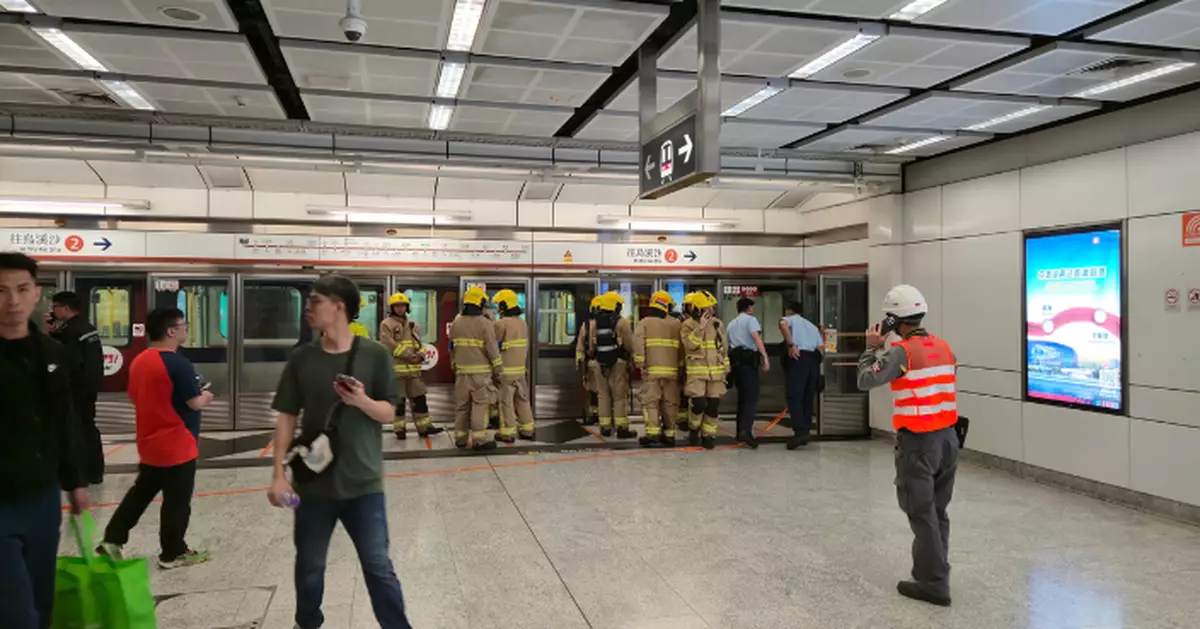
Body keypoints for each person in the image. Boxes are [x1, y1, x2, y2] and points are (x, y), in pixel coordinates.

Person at [267, 274, 412, 629]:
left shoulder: (375, 355)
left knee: (379, 568)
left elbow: (389, 412)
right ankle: (308, 622)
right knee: (310, 567)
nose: (308, 308)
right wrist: (278, 475)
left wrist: (361, 400)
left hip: (364, 484)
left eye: (316, 301)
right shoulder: (303, 359)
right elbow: (287, 415)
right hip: (314, 486)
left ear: (339, 307)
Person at [0, 252, 91, 629]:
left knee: (42, 598)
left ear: (37, 293)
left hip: (42, 497)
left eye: (22, 289)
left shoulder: (53, 354)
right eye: (1, 291)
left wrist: (76, 482)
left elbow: (65, 422)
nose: (13, 301)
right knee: (16, 611)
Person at [856, 284, 959, 608]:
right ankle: (938, 566)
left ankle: (933, 582)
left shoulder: (902, 352)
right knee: (937, 510)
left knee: (919, 510)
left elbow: (865, 379)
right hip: (948, 440)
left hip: (919, 443)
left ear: (894, 320)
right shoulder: (944, 347)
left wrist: (873, 347)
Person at [99, 306, 213, 569]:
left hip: (149, 443)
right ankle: (173, 553)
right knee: (177, 501)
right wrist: (207, 396)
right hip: (177, 443)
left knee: (140, 494)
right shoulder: (178, 363)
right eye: (183, 325)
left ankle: (112, 539)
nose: (185, 330)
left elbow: (135, 396)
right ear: (171, 330)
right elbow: (194, 402)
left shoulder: (139, 360)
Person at [47, 291, 104, 484]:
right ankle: (95, 471)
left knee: (76, 429)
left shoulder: (70, 331)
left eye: (55, 307)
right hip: (90, 386)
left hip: (76, 388)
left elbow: (68, 361)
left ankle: (82, 474)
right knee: (88, 427)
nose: (53, 311)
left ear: (64, 308)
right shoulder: (86, 327)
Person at [379, 292, 442, 440]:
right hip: (397, 371)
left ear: (407, 307)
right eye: (397, 306)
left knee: (420, 399)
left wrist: (421, 354)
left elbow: (418, 343)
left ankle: (425, 427)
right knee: (399, 402)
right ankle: (399, 429)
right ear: (392, 308)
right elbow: (388, 344)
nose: (400, 309)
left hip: (414, 371)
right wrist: (409, 355)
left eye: (403, 306)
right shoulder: (386, 324)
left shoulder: (413, 324)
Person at [449, 286, 501, 451]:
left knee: (462, 406)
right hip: (480, 374)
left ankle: (460, 438)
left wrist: (454, 364)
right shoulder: (484, 323)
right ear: (480, 303)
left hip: (461, 373)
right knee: (480, 405)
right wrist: (498, 368)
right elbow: (492, 348)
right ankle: (479, 440)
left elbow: (451, 346)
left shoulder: (456, 321)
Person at [578, 291, 636, 438]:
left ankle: (605, 427)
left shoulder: (593, 323)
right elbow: (630, 345)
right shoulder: (621, 322)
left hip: (599, 363)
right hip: (618, 363)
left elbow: (589, 345)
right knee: (619, 396)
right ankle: (621, 427)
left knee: (603, 395)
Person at [680, 291, 729, 450]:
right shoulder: (688, 325)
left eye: (711, 308)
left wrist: (726, 369)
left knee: (713, 405)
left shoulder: (718, 324)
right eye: (707, 308)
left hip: (715, 373)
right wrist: (700, 328)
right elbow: (689, 345)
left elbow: (723, 349)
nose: (711, 311)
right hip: (697, 372)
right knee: (699, 404)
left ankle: (708, 435)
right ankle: (694, 429)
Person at [634, 291, 682, 448]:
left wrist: (640, 364)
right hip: (672, 373)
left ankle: (653, 434)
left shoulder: (644, 323)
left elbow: (638, 345)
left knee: (651, 402)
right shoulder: (676, 324)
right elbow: (682, 349)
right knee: (670, 403)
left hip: (651, 372)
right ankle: (669, 434)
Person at [726, 297, 770, 449]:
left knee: (742, 398)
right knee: (751, 397)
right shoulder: (750, 320)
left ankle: (739, 431)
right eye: (753, 307)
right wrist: (764, 356)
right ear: (749, 308)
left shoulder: (731, 324)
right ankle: (746, 430)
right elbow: (756, 337)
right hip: (748, 362)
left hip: (737, 363)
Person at [492, 289, 535, 442]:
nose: (497, 308)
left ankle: (507, 433)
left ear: (504, 306)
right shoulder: (522, 324)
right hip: (520, 370)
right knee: (522, 399)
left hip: (505, 371)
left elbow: (493, 347)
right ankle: (527, 429)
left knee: (506, 402)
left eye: (498, 305)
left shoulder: (500, 324)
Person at [780, 301, 822, 450]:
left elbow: (783, 324)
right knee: (807, 398)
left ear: (789, 311)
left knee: (794, 396)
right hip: (812, 361)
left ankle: (799, 432)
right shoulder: (811, 325)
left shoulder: (792, 319)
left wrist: (791, 345)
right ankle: (805, 431)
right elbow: (820, 346)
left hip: (799, 359)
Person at [574, 295, 602, 425]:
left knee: (593, 392)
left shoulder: (586, 325)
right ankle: (606, 415)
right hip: (608, 364)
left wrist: (580, 365)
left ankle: (594, 414)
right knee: (606, 392)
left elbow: (580, 347)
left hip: (591, 363)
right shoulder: (614, 323)